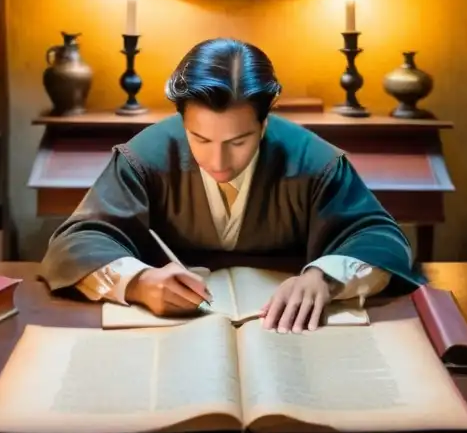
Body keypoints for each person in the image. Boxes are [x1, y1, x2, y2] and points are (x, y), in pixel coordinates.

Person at [40, 38, 424, 332]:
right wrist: (139, 282)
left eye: (239, 141)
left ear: (265, 121)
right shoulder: (146, 156)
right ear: (181, 120)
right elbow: (75, 242)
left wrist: (322, 279)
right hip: (171, 336)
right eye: (200, 139)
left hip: (288, 335)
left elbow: (382, 238)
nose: (218, 162)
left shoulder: (313, 160)